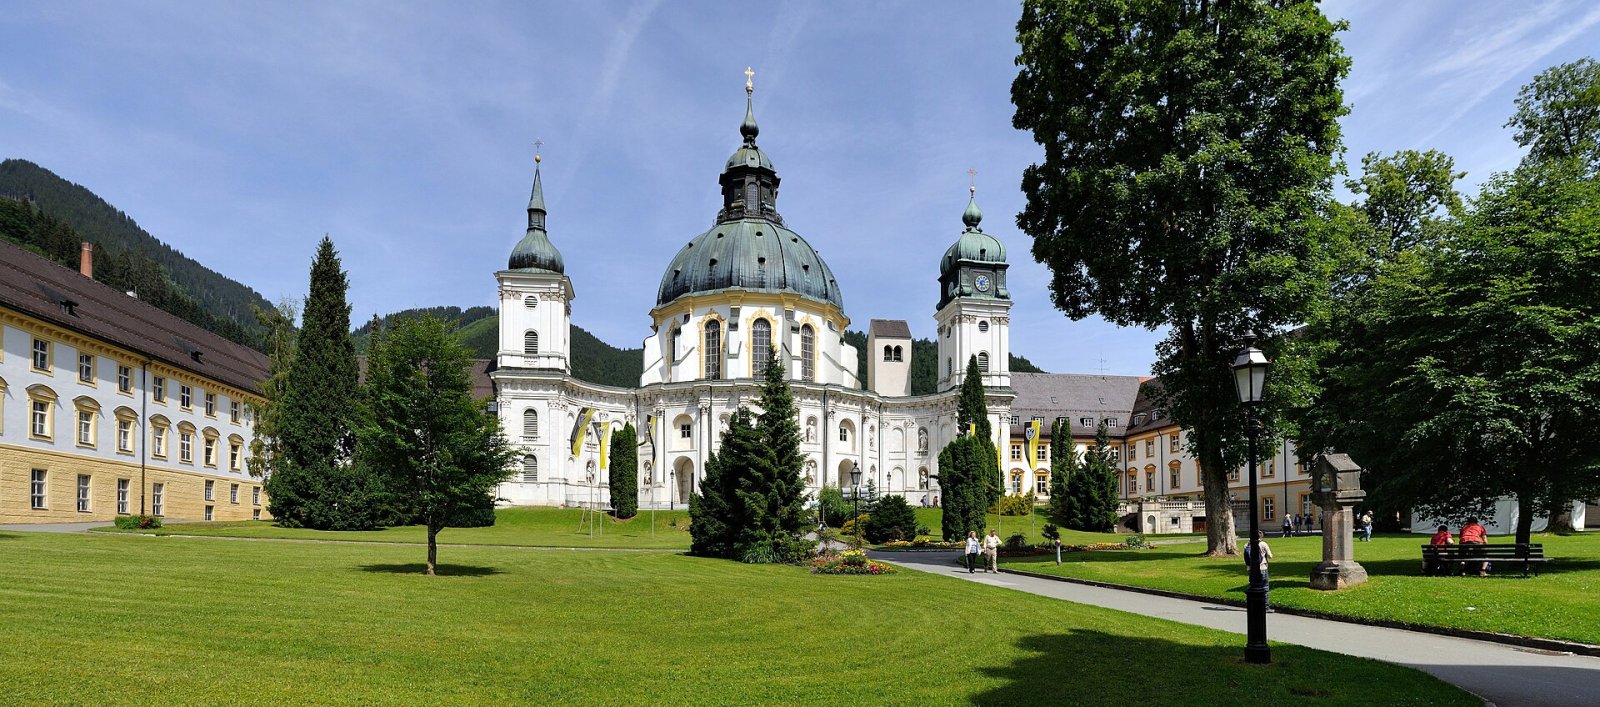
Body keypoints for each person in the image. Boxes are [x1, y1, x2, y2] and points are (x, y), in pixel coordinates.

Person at [1244, 529, 1274, 595]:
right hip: (1262, 567)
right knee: (1265, 587)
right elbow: (1270, 556)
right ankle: (1265, 604)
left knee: (1253, 586)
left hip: (1251, 569)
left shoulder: (1246, 545)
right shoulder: (1263, 544)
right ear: (1260, 537)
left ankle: (1255, 603)